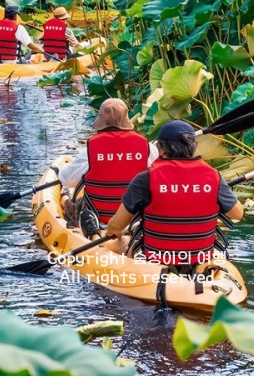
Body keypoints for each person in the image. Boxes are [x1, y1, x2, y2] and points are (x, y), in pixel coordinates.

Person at [105, 119, 244, 267]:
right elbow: (237, 214)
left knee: (122, 242)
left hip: (156, 260)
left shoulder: (145, 179)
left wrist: (111, 233)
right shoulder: (213, 176)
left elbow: (116, 226)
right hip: (199, 259)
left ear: (161, 148)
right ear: (193, 147)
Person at [59, 98, 158, 230]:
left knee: (72, 201)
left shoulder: (90, 149)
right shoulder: (147, 147)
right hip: (137, 222)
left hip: (98, 222)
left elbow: (66, 180)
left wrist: (60, 171)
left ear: (101, 121)